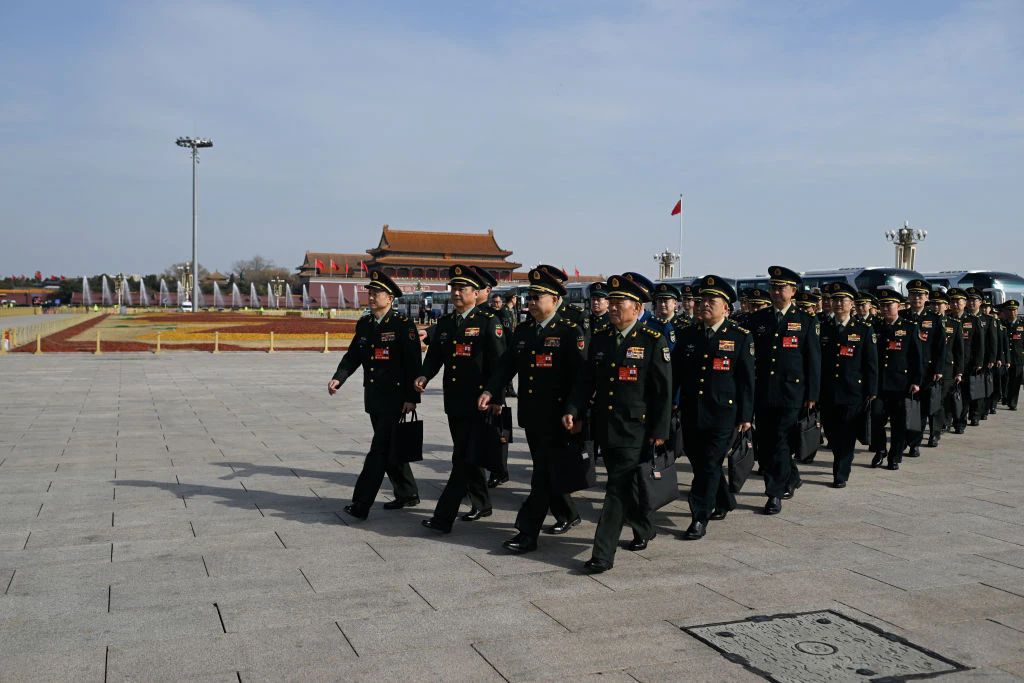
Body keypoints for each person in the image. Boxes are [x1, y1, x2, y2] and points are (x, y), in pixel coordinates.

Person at [563, 274, 671, 573]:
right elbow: (585, 380)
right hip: (605, 426)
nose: (612, 307)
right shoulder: (601, 338)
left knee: (616, 489)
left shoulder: (652, 340)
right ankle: (644, 527)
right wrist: (573, 408)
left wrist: (661, 430)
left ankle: (602, 553)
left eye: (618, 303)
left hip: (636, 429)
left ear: (637, 308)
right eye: (610, 302)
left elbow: (662, 391)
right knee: (624, 484)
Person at [479, 267, 586, 553]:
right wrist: (490, 391)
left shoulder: (569, 331)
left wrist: (575, 411)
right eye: (530, 297)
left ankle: (527, 532)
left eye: (538, 297)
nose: (532, 302)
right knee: (547, 470)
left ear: (555, 300)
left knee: (541, 476)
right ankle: (568, 513)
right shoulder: (524, 331)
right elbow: (506, 365)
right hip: (532, 416)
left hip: (558, 417)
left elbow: (582, 379)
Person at [415, 265, 506, 534]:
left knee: (462, 458)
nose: (456, 293)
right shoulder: (446, 323)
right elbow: (435, 356)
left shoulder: (488, 321)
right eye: (453, 288)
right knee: (468, 454)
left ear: (476, 293)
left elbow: (500, 364)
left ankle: (443, 517)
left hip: (480, 402)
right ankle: (482, 503)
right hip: (455, 401)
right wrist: (424, 375)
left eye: (462, 288)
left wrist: (497, 397)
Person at [328, 270, 421, 519]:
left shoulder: (402, 324)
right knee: (389, 446)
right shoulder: (365, 324)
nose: (371, 296)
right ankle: (407, 492)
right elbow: (353, 356)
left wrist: (412, 398)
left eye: (376, 293)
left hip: (396, 399)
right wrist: (339, 377)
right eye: (370, 292)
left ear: (390, 298)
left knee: (378, 450)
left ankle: (361, 503)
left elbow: (413, 363)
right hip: (374, 397)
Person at [671, 275, 753, 539]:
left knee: (708, 463)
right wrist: (669, 404)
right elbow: (675, 375)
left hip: (723, 415)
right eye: (702, 299)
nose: (704, 304)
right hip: (692, 411)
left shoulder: (739, 336)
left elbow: (746, 380)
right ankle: (725, 499)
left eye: (711, 300)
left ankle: (699, 516)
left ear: (726, 308)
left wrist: (746, 415)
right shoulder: (687, 335)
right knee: (700, 462)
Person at [746, 266, 821, 515]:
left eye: (781, 287)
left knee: (780, 441)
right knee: (766, 443)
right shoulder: (758, 319)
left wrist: (812, 395)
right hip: (763, 391)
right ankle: (791, 476)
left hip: (791, 392)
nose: (776, 292)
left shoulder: (806, 320)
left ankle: (774, 493)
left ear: (793, 291)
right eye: (773, 287)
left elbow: (813, 360)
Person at [818, 282, 878, 487]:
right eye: (834, 299)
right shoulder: (823, 328)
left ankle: (841, 472)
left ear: (851, 303)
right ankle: (840, 457)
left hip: (853, 390)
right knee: (831, 432)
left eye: (842, 300)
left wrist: (872, 390)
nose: (837, 304)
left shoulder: (863, 329)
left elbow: (871, 363)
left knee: (848, 432)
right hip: (828, 390)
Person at [870, 289, 923, 470]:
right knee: (876, 418)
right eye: (882, 305)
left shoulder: (909, 327)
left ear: (898, 307)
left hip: (901, 384)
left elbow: (917, 358)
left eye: (889, 305)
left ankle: (895, 455)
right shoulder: (875, 327)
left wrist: (916, 381)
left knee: (898, 423)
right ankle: (880, 450)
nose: (885, 309)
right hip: (879, 384)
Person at [901, 280, 946, 457]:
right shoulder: (902, 316)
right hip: (903, 370)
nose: (916, 298)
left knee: (918, 409)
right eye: (913, 294)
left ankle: (914, 443)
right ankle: (902, 440)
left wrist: (938, 369)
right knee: (902, 408)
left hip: (925, 372)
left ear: (927, 297)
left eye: (920, 295)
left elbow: (940, 347)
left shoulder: (934, 318)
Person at [929, 290, 964, 440]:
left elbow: (959, 351)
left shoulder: (953, 324)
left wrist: (959, 372)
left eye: (939, 304)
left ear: (946, 306)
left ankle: (934, 434)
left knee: (939, 401)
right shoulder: (924, 323)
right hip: (928, 368)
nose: (936, 307)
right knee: (929, 401)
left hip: (947, 368)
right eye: (933, 304)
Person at [948, 288, 984, 432]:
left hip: (966, 363)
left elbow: (979, 344)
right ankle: (946, 420)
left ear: (965, 303)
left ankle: (960, 423)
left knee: (963, 395)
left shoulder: (973, 320)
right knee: (948, 394)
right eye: (952, 301)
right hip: (948, 362)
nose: (955, 304)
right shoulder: (945, 319)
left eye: (958, 301)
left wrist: (978, 362)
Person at [1001, 301, 1023, 410]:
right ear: (1006, 311)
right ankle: (1005, 397)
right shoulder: (1002, 324)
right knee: (1005, 379)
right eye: (1009, 310)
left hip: (1018, 357)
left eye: (1014, 310)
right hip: (1005, 357)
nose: (1012, 312)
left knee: (1016, 381)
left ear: (1017, 311)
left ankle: (1013, 402)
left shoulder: (1022, 324)